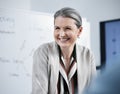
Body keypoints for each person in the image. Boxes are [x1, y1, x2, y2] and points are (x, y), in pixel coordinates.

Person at [32, 7, 96, 94]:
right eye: (57, 28)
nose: (61, 34)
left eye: (67, 28)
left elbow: (94, 90)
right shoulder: (43, 52)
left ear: (79, 31)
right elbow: (39, 92)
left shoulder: (87, 55)